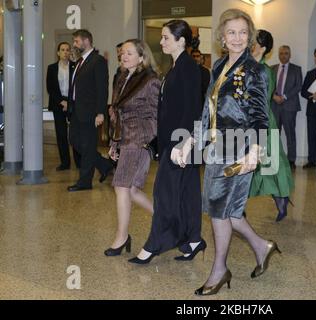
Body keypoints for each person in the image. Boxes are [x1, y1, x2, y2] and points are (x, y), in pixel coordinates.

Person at [175, 9, 280, 296]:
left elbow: (260, 114)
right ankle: (261, 246)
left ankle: (219, 269)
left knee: (219, 210)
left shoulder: (255, 70)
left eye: (243, 32)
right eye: (231, 32)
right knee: (225, 209)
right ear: (222, 36)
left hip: (239, 148)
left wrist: (255, 151)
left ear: (250, 36)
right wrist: (189, 142)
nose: (237, 38)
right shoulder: (220, 65)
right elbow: (207, 110)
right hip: (215, 147)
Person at [129, 20, 205, 264]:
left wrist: (182, 145)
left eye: (165, 38)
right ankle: (193, 240)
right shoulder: (175, 67)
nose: (160, 42)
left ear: (181, 41)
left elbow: (193, 109)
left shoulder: (188, 68)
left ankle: (154, 245)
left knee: (165, 195)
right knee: (186, 194)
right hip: (176, 142)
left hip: (181, 144)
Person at [104, 39, 160, 257]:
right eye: (122, 54)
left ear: (142, 57)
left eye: (129, 53)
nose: (124, 57)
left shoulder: (150, 81)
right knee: (132, 191)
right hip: (124, 139)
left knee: (121, 186)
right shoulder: (121, 78)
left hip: (138, 140)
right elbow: (117, 113)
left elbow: (156, 115)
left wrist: (143, 139)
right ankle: (168, 221)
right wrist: (114, 141)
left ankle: (121, 236)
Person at [249, 30, 294, 222]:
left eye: (254, 42)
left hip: (262, 122)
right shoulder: (247, 66)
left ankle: (282, 200)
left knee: (271, 164)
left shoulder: (265, 71)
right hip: (247, 122)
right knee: (248, 165)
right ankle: (236, 206)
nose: (250, 45)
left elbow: (261, 100)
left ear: (263, 47)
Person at [68, 29, 113, 192]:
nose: (74, 44)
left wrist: (101, 112)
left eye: (77, 41)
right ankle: (104, 164)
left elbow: (102, 89)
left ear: (86, 41)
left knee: (87, 146)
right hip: (76, 111)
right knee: (74, 141)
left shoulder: (98, 60)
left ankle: (85, 182)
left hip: (90, 112)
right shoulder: (80, 62)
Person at [46, 42, 79, 171]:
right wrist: (62, 102)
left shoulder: (75, 66)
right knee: (61, 134)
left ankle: (78, 162)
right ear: (58, 53)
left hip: (73, 103)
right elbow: (51, 88)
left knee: (75, 134)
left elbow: (77, 87)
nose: (65, 52)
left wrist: (69, 102)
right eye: (62, 50)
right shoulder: (52, 68)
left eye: (67, 50)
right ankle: (65, 163)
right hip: (58, 104)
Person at [271, 46, 303, 170]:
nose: (283, 55)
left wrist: (284, 96)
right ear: (278, 55)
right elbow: (268, 85)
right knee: (274, 134)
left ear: (290, 55)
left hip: (289, 106)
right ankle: (274, 158)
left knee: (290, 134)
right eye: (281, 53)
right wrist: (274, 96)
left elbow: (298, 86)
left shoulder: (296, 69)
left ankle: (291, 160)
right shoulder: (272, 69)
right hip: (274, 105)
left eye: (286, 53)